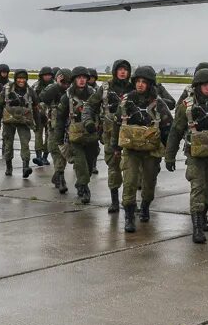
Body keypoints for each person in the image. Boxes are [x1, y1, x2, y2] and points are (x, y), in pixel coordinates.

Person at [165, 67, 208, 243]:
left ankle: (203, 215)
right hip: (195, 154)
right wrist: (169, 155)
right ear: (198, 86)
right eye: (204, 85)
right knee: (198, 188)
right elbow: (176, 130)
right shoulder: (187, 106)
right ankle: (196, 227)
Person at [112, 65, 174, 232]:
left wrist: (169, 152)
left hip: (151, 152)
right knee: (130, 182)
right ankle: (129, 217)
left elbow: (169, 127)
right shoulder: (126, 101)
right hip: (131, 150)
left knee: (148, 184)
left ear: (150, 84)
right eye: (137, 81)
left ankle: (145, 206)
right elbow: (117, 125)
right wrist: (115, 148)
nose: (140, 85)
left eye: (144, 82)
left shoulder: (159, 104)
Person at [92, 59, 135, 213]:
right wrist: (89, 122)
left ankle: (130, 202)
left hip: (132, 135)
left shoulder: (134, 88)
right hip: (110, 135)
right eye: (120, 69)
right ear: (115, 71)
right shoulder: (105, 89)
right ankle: (115, 201)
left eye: (126, 69)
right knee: (113, 168)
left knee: (132, 170)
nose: (123, 72)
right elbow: (90, 106)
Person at [56, 67, 101, 204]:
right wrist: (59, 138)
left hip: (91, 135)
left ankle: (80, 183)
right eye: (79, 77)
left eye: (84, 77)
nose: (82, 80)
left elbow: (102, 114)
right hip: (74, 136)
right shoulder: (66, 97)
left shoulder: (95, 95)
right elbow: (60, 118)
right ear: (74, 80)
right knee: (80, 162)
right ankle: (84, 188)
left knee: (89, 162)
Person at [0, 68, 36, 177]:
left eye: (23, 78)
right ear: (15, 79)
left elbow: (36, 107)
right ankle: (9, 166)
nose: (21, 81)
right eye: (19, 78)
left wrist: (37, 124)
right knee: (8, 145)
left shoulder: (30, 91)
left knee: (25, 144)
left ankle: (25, 167)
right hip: (9, 122)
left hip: (24, 121)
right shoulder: (7, 89)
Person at [40, 68, 72, 193]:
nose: (66, 85)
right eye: (64, 82)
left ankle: (58, 175)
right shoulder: (52, 89)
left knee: (64, 154)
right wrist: (56, 85)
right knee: (55, 151)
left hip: (69, 127)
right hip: (53, 127)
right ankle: (60, 177)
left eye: (68, 83)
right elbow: (42, 97)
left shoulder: (71, 92)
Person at [30, 66, 56, 167]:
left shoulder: (55, 86)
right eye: (45, 75)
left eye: (49, 75)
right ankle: (38, 156)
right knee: (38, 134)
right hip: (38, 114)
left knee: (49, 136)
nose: (47, 77)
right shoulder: (35, 86)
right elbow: (31, 99)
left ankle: (45, 156)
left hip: (51, 114)